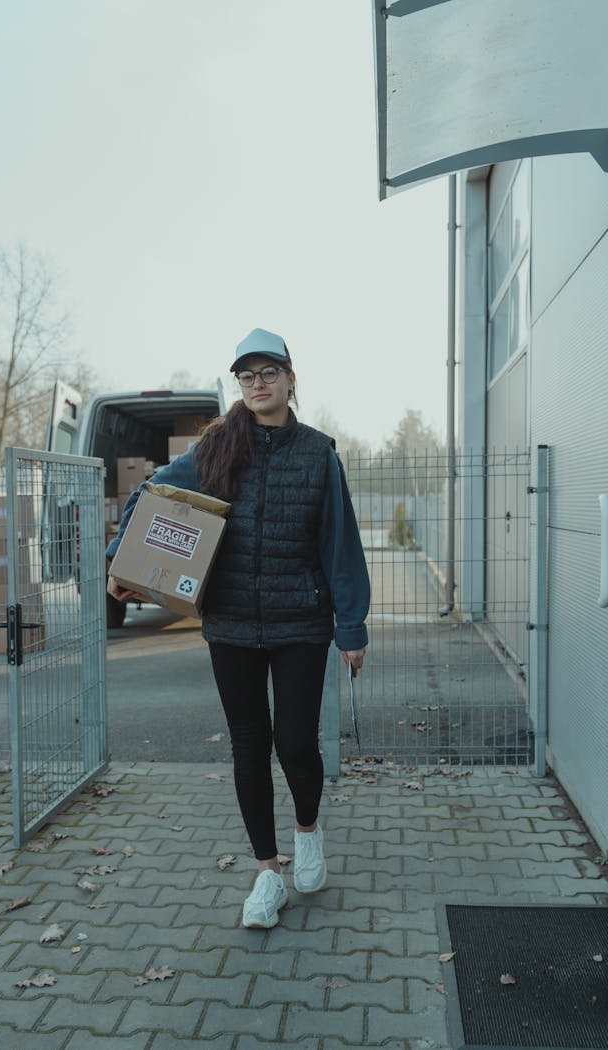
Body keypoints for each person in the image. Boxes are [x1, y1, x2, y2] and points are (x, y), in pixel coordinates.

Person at [107, 327, 370, 929]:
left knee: (296, 743)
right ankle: (266, 874)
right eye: (246, 376)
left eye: (267, 373)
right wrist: (122, 558)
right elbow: (152, 494)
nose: (257, 384)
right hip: (229, 623)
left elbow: (341, 544)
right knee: (249, 745)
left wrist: (351, 626)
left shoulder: (318, 454)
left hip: (302, 621)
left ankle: (307, 831)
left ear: (290, 378)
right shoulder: (217, 448)